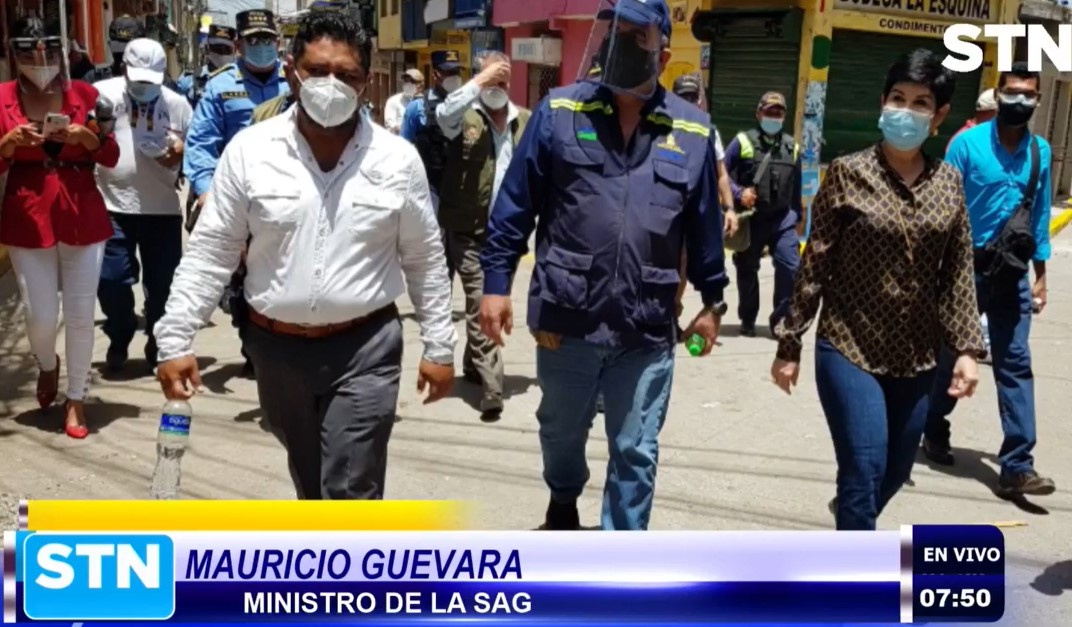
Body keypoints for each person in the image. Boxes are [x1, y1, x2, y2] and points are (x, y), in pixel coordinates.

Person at [155, 11, 456, 500]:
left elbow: (423, 258)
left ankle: (351, 574)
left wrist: (439, 346)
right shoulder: (250, 152)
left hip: (366, 346)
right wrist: (175, 338)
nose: (331, 85)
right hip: (275, 351)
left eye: (347, 75)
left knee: (351, 487)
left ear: (365, 83)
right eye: (318, 71)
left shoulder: (397, 160)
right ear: (292, 68)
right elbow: (213, 252)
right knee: (310, 479)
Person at [479, 0, 728, 530]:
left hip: (647, 324)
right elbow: (514, 207)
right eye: (613, 30)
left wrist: (713, 301)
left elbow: (705, 228)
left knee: (635, 449)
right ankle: (564, 498)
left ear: (662, 53)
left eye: (636, 35)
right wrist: (495, 286)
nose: (620, 42)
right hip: (566, 320)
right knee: (560, 430)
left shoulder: (694, 131)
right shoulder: (559, 112)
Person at [770, 49, 984, 531]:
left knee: (894, 471)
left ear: (940, 116)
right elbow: (815, 262)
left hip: (917, 357)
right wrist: (790, 343)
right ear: (882, 102)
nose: (905, 112)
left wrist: (967, 349)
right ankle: (852, 589)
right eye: (897, 98)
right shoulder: (848, 172)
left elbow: (956, 271)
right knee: (863, 469)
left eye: (920, 103)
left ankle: (851, 515)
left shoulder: (950, 183)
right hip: (849, 346)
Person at [922, 63, 1056, 498]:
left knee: (1014, 362)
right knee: (949, 356)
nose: (1020, 101)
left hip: (1013, 274)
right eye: (1012, 93)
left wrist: (1041, 276)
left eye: (1028, 96)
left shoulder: (1040, 151)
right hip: (965, 271)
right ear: (998, 97)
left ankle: (1017, 464)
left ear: (1036, 100)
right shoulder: (967, 145)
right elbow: (940, 205)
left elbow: (1037, 217)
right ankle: (933, 425)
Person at [0, 17, 120, 438]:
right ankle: (47, 364)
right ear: (13, 52)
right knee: (39, 315)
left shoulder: (85, 94)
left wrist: (89, 140)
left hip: (80, 211)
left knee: (82, 314)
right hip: (28, 214)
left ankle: (76, 398)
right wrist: (8, 146)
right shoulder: (1, 98)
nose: (40, 59)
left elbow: (111, 155)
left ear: (62, 52)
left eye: (49, 51)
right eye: (30, 51)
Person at [434, 50, 529, 421]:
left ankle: (474, 365)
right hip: (468, 231)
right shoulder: (464, 118)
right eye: (492, 80)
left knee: (493, 301)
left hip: (507, 237)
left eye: (502, 80)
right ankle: (492, 387)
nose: (498, 88)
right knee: (479, 303)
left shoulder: (525, 120)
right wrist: (479, 82)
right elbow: (444, 114)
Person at [94, 38, 192, 373]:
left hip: (162, 210)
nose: (145, 88)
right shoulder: (101, 95)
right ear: (124, 70)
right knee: (111, 281)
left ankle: (156, 337)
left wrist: (180, 154)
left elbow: (196, 152)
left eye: (152, 81)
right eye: (138, 81)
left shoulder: (178, 104)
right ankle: (119, 334)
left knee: (163, 286)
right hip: (111, 205)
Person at [184, 9, 289, 228]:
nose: (261, 45)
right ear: (239, 46)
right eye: (253, 39)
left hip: (287, 194)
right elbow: (202, 142)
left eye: (266, 39)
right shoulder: (219, 86)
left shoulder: (294, 81)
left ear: (277, 43)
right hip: (235, 196)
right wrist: (206, 190)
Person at [723, 92, 803, 338]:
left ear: (784, 117)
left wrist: (798, 216)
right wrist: (738, 193)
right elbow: (720, 173)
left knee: (791, 266)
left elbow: (796, 185)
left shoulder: (793, 147)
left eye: (778, 113)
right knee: (747, 268)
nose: (773, 117)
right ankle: (748, 318)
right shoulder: (742, 141)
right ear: (758, 114)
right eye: (769, 112)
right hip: (752, 219)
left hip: (782, 220)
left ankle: (780, 319)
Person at [175, 25, 238, 109]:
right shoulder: (189, 81)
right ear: (207, 48)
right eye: (217, 48)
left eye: (227, 49)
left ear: (233, 51)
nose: (222, 53)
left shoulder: (242, 82)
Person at [104, 15, 146, 83]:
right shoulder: (95, 77)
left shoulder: (156, 80)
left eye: (131, 53)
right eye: (119, 53)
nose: (124, 58)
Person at [384, 69, 423, 134]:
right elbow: (389, 124)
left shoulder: (424, 102)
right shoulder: (394, 101)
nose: (407, 84)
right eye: (405, 81)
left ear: (420, 84)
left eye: (411, 81)